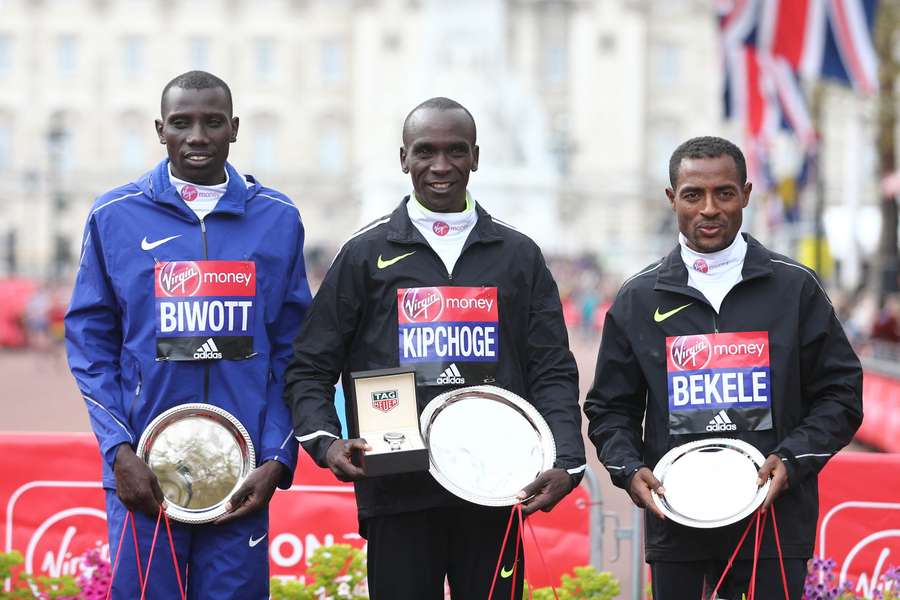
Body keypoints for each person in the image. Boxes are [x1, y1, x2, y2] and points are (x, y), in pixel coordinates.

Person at [283, 97, 585, 599]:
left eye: (455, 151)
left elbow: (552, 368)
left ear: (476, 157)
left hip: (497, 487)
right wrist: (326, 441)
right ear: (403, 157)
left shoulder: (518, 255)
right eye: (425, 151)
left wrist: (568, 459)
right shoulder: (365, 253)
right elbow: (310, 365)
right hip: (397, 492)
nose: (441, 167)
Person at [65, 70, 312, 599]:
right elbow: (89, 342)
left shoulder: (278, 218)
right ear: (160, 129)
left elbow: (296, 352)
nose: (197, 136)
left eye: (212, 122)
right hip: (144, 476)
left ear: (235, 128)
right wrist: (119, 451)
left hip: (242, 476)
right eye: (182, 122)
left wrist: (276, 458)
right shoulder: (115, 214)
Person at [583, 136, 863, 600]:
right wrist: (630, 469)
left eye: (724, 193)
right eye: (693, 194)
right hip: (677, 523)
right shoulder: (639, 297)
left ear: (747, 195)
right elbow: (610, 408)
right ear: (673, 199)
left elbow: (841, 394)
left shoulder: (795, 287)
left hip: (774, 522)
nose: (709, 209)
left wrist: (792, 461)